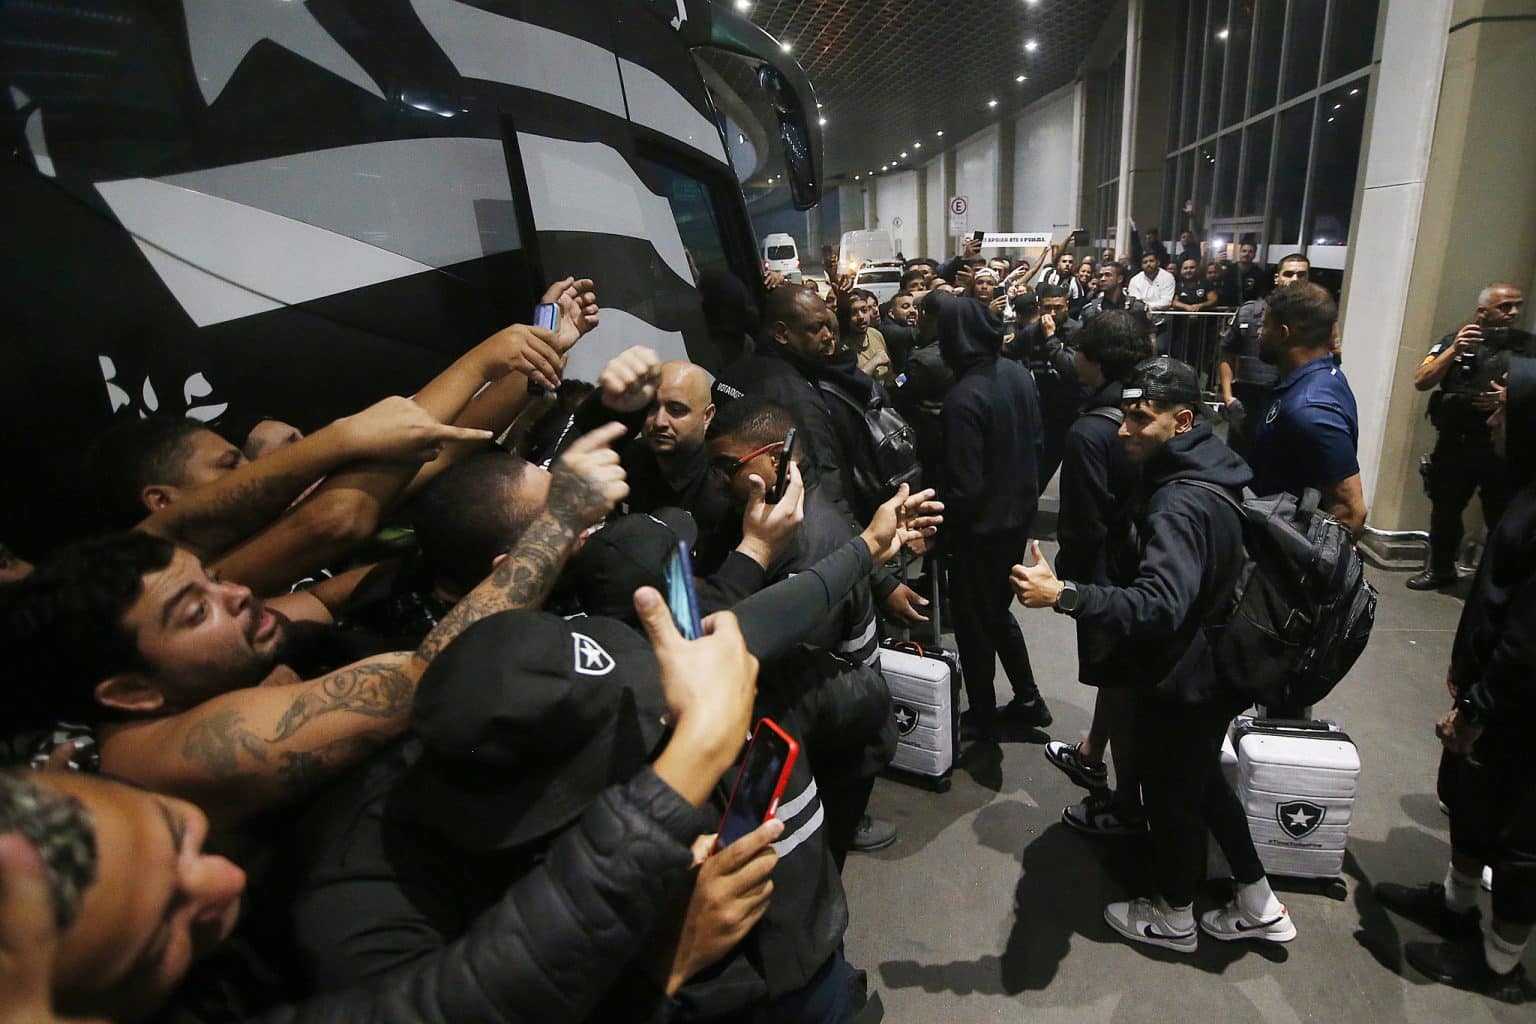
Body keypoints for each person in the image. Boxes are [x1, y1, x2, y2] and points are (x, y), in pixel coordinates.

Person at [0, 587, 780, 1023]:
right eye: (161, 920)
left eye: (183, 834)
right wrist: (650, 973)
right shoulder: (357, 922)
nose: (227, 884)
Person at [1, 424, 630, 829]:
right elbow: (434, 674)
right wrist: (558, 521)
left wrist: (449, 550)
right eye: (196, 611)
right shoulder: (179, 754)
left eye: (212, 579)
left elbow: (328, 600)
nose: (238, 594)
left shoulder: (220, 649)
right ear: (130, 693)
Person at [1012, 356, 1297, 954]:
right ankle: (1259, 902)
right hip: (1217, 662)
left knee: (1172, 796)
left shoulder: (1179, 502)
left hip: (1190, 674)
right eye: (1125, 416)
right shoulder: (1210, 470)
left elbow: (1161, 603)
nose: (1124, 430)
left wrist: (1063, 594)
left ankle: (1173, 916)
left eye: (1142, 419)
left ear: (1183, 419)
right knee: (1203, 787)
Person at [1374, 356, 1536, 1005]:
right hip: (1489, 691)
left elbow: (1527, 642)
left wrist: (1477, 707)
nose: (1490, 418)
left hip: (1516, 708)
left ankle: (1501, 967)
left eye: (1503, 409)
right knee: (1468, 802)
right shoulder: (1521, 488)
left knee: (1518, 837)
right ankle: (1456, 905)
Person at [1043, 310, 1155, 835]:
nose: (1074, 358)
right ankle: (1091, 752)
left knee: (1124, 686)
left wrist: (1069, 585)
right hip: (1151, 567)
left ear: (1096, 360)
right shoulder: (1154, 409)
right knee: (1123, 680)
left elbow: (1083, 524)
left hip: (1109, 578)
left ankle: (1128, 809)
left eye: (1080, 351)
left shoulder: (1091, 430)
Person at [939, 296, 1051, 734]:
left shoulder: (963, 397)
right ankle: (1029, 699)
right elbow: (1038, 444)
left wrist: (941, 534)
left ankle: (983, 713)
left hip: (977, 533)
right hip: (1015, 520)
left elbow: (964, 488)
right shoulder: (1017, 374)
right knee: (997, 613)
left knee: (972, 625)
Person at [1408, 283, 1534, 590]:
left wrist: (1511, 396)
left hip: (1502, 447)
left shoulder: (1528, 346)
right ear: (1483, 312)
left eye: (1517, 306)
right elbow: (1422, 380)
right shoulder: (1454, 340)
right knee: (1445, 510)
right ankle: (1440, 569)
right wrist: (1453, 351)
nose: (1514, 312)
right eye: (1505, 307)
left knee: (1501, 517)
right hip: (1456, 444)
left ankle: (1497, 579)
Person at [1247, 283, 1368, 535]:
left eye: (1264, 325)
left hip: (1283, 554)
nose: (1259, 332)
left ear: (1283, 334)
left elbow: (1350, 511)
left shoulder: (1310, 409)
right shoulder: (1313, 377)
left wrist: (1301, 568)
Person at [1217, 253, 1310, 458]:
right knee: (1238, 461)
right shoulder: (1251, 312)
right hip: (1249, 401)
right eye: (1289, 274)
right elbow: (1227, 352)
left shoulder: (1314, 319)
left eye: (1301, 275)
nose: (1295, 279)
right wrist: (1228, 396)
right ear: (1278, 277)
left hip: (1290, 404)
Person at [1007, 284, 1081, 491]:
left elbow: (1069, 368)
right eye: (1047, 308)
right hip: (1045, 410)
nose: (1052, 313)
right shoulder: (1031, 332)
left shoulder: (1077, 331)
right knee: (1039, 468)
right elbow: (1008, 352)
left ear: (1067, 305)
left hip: (1074, 409)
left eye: (1058, 307)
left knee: (1075, 474)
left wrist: (1050, 338)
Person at [1127, 252, 1176, 351]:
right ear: (1141, 265)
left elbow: (1167, 301)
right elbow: (1135, 302)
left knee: (1161, 349)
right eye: (1145, 262)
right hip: (1140, 324)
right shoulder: (1135, 280)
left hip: (1161, 323)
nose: (1148, 264)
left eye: (1151, 261)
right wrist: (1144, 306)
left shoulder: (1168, 277)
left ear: (1158, 262)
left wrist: (1147, 306)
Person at [1079, 262, 1147, 322]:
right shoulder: (1091, 311)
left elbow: (1150, 333)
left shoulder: (1136, 308)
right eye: (1100, 276)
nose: (1102, 279)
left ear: (1120, 279)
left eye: (1107, 275)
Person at [880, 291, 922, 373]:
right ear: (892, 313)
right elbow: (914, 334)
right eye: (905, 307)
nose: (913, 310)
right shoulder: (887, 329)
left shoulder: (911, 324)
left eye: (915, 307)